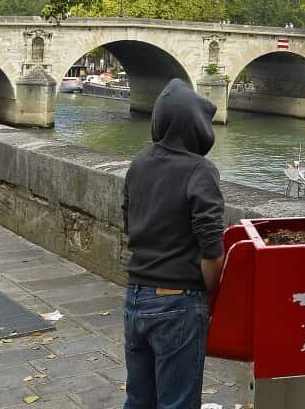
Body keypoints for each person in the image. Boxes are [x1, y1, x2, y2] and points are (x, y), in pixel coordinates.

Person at [121, 79, 224, 409]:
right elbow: (211, 249)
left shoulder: (138, 163)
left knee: (139, 400)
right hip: (178, 302)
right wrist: (208, 293)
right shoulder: (200, 170)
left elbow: (129, 223)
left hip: (135, 297)